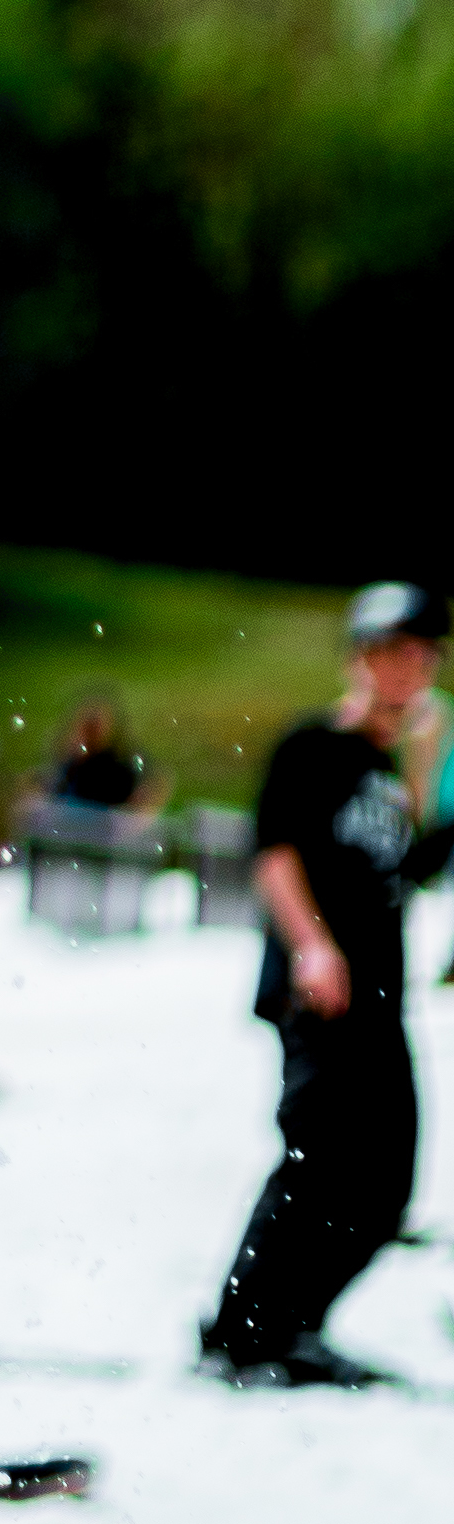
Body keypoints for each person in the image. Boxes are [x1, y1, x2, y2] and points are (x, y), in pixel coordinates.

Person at [200, 584, 453, 1388]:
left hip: (382, 993)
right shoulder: (314, 744)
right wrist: (312, 946)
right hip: (319, 988)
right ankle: (240, 1331)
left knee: (388, 1180)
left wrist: (424, 761)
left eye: (417, 653)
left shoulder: (390, 763)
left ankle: (295, 1324)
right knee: (316, 1159)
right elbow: (274, 853)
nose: (402, 668)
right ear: (357, 660)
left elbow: (406, 868)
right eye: (386, 652)